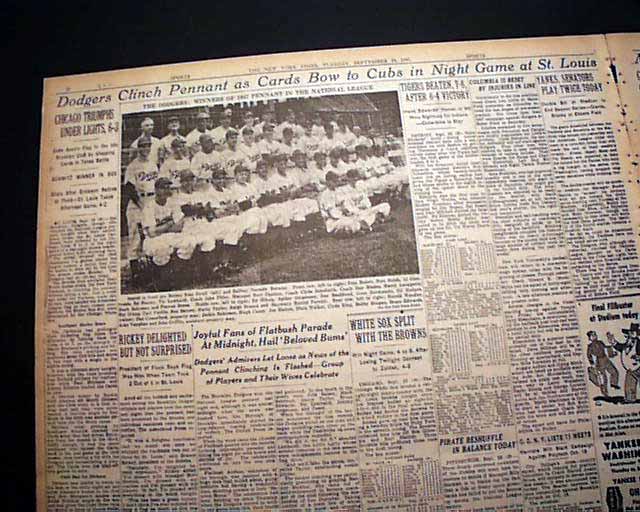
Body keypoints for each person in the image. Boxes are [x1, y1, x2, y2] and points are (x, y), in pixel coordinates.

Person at [123, 136, 159, 278]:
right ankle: (136, 273)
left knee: (151, 234)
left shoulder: (153, 164)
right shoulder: (133, 166)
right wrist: (141, 205)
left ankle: (150, 269)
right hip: (137, 203)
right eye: (143, 146)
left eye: (148, 146)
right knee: (136, 237)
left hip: (151, 200)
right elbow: (129, 189)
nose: (145, 149)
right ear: (138, 148)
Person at [140, 177, 185, 268]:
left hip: (170, 235)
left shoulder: (173, 203)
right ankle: (162, 277)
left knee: (188, 242)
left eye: (168, 188)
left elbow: (179, 226)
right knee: (162, 248)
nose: (166, 191)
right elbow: (152, 233)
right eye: (163, 188)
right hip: (153, 240)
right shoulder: (149, 206)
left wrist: (161, 228)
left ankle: (181, 273)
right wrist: (169, 224)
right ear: (156, 190)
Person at [609, 324, 640, 402]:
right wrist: (614, 342)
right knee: (629, 384)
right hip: (630, 369)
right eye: (630, 333)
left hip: (638, 367)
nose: (631, 334)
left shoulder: (639, 343)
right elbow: (620, 347)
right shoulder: (627, 344)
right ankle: (630, 398)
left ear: (637, 334)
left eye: (633, 332)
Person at [587, 330, 620, 397]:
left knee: (614, 371)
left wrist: (613, 352)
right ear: (589, 338)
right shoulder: (590, 346)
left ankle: (613, 383)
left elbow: (606, 348)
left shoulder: (600, 342)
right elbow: (589, 355)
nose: (594, 336)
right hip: (599, 362)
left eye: (595, 335)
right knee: (603, 378)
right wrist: (591, 362)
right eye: (592, 335)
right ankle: (605, 392)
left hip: (605, 359)